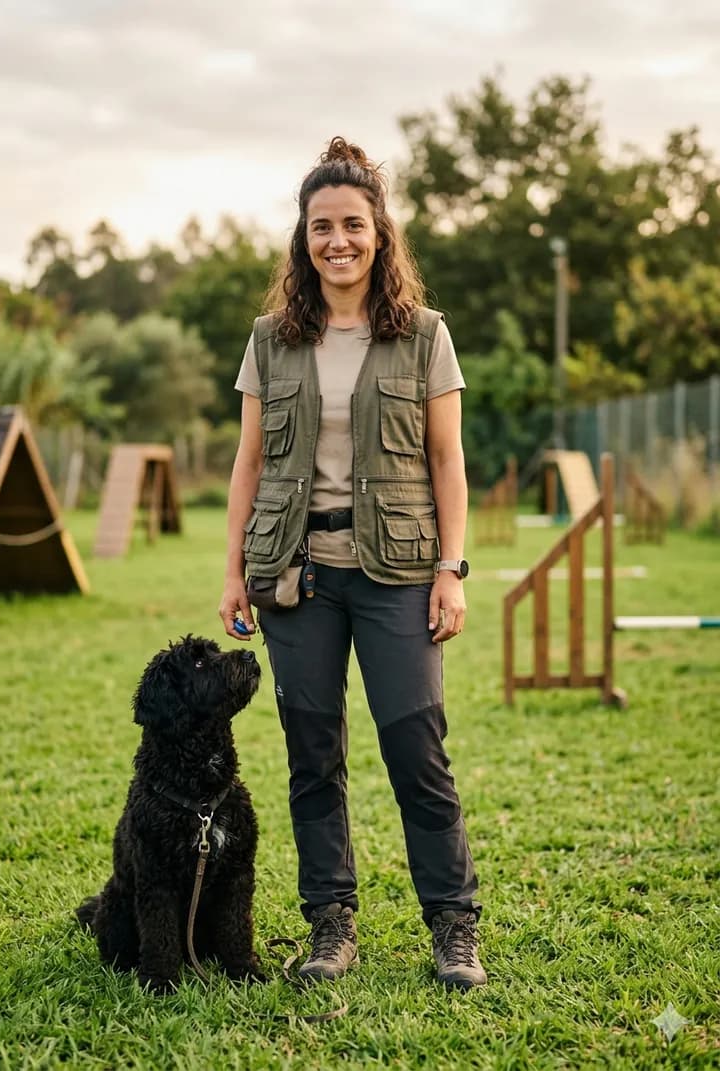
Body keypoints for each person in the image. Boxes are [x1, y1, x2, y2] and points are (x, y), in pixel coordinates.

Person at [218, 137, 486, 991]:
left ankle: (453, 926)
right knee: (312, 753)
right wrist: (234, 571)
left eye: (352, 225)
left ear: (380, 233)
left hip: (398, 572)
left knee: (417, 749)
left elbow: (447, 460)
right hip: (296, 574)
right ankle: (330, 923)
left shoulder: (425, 335)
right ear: (303, 239)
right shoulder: (270, 339)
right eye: (321, 227)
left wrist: (451, 569)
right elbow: (249, 461)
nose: (337, 240)